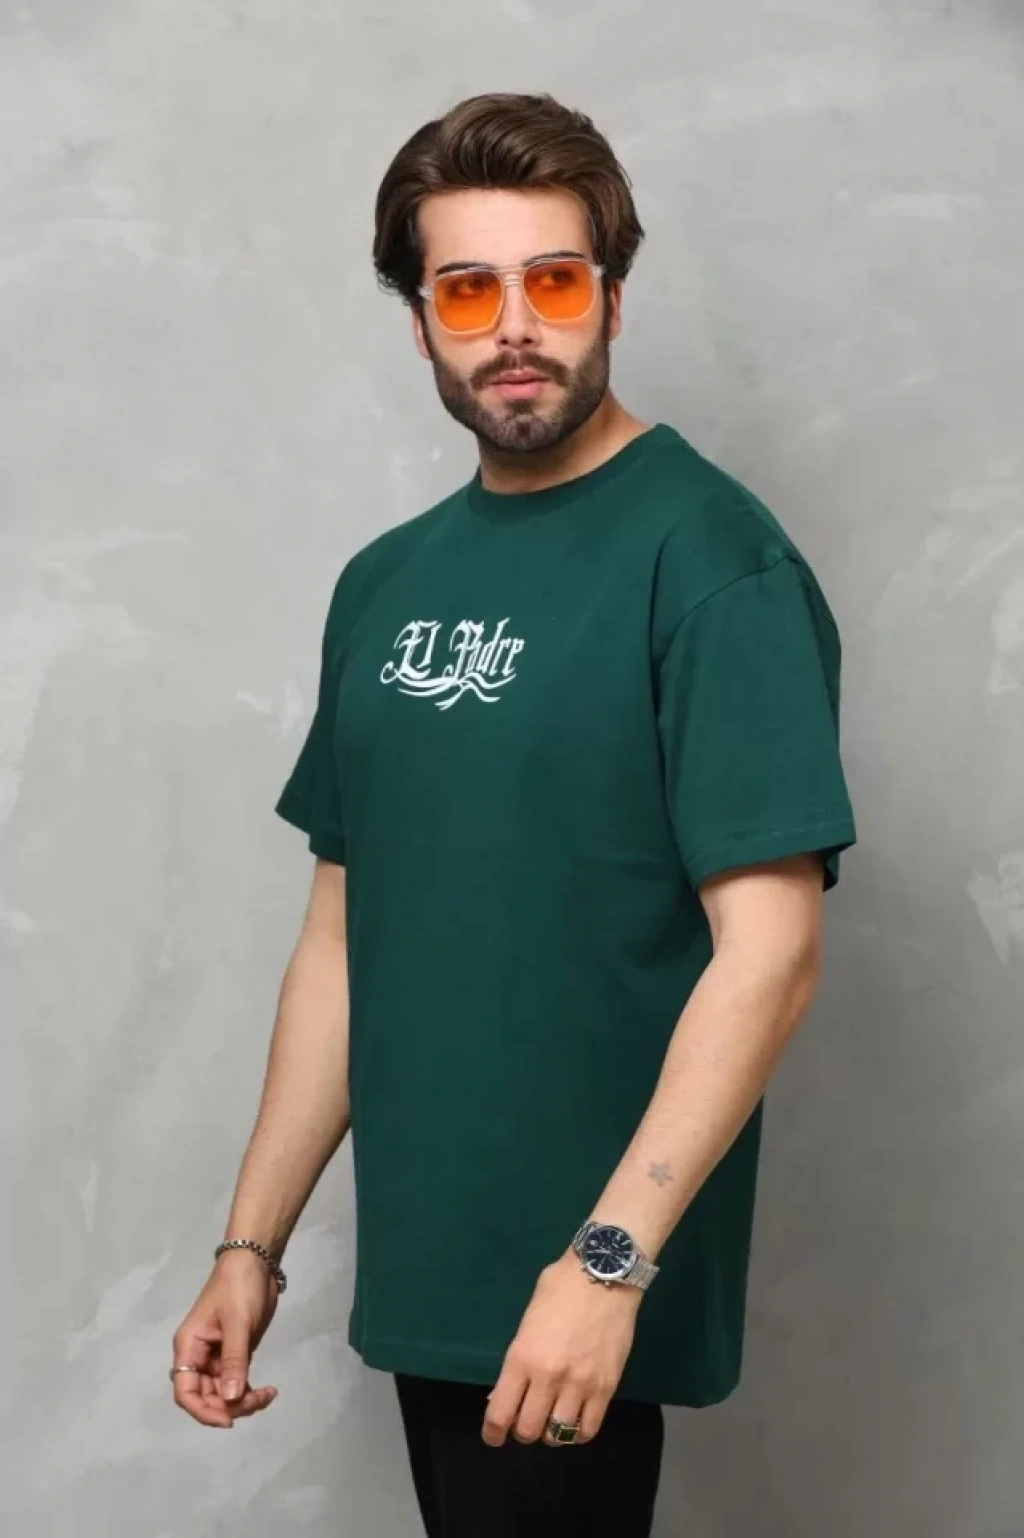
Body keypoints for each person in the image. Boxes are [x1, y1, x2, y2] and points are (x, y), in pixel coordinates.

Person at [170, 92, 857, 1537]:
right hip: (431, 1272)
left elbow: (771, 955)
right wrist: (252, 1245)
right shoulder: (384, 582)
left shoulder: (712, 561)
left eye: (555, 280)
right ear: (421, 321)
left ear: (613, 294)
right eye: (470, 290)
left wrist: (608, 1263)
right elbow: (343, 939)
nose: (517, 328)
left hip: (583, 1286)